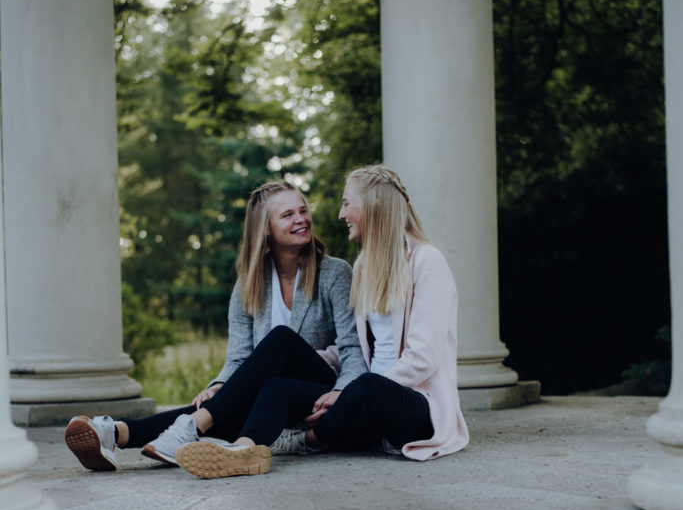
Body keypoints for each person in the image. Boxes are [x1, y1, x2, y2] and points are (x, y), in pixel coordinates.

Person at [173, 164, 469, 478]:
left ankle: (303, 440)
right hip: (362, 404)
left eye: (346, 203)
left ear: (373, 206)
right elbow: (356, 348)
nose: (341, 215)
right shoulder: (365, 265)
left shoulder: (427, 261)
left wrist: (348, 392)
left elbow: (422, 359)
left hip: (416, 407)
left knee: (367, 385)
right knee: (277, 386)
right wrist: (297, 365)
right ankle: (244, 450)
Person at [64, 179, 367, 473]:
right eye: (288, 215)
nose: (301, 219)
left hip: (320, 391)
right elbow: (238, 357)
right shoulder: (249, 284)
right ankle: (116, 434)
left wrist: (340, 391)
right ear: (266, 230)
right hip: (275, 394)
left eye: (303, 210)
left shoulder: (335, 273)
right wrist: (218, 386)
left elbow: (353, 349)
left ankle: (192, 425)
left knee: (280, 340)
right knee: (231, 401)